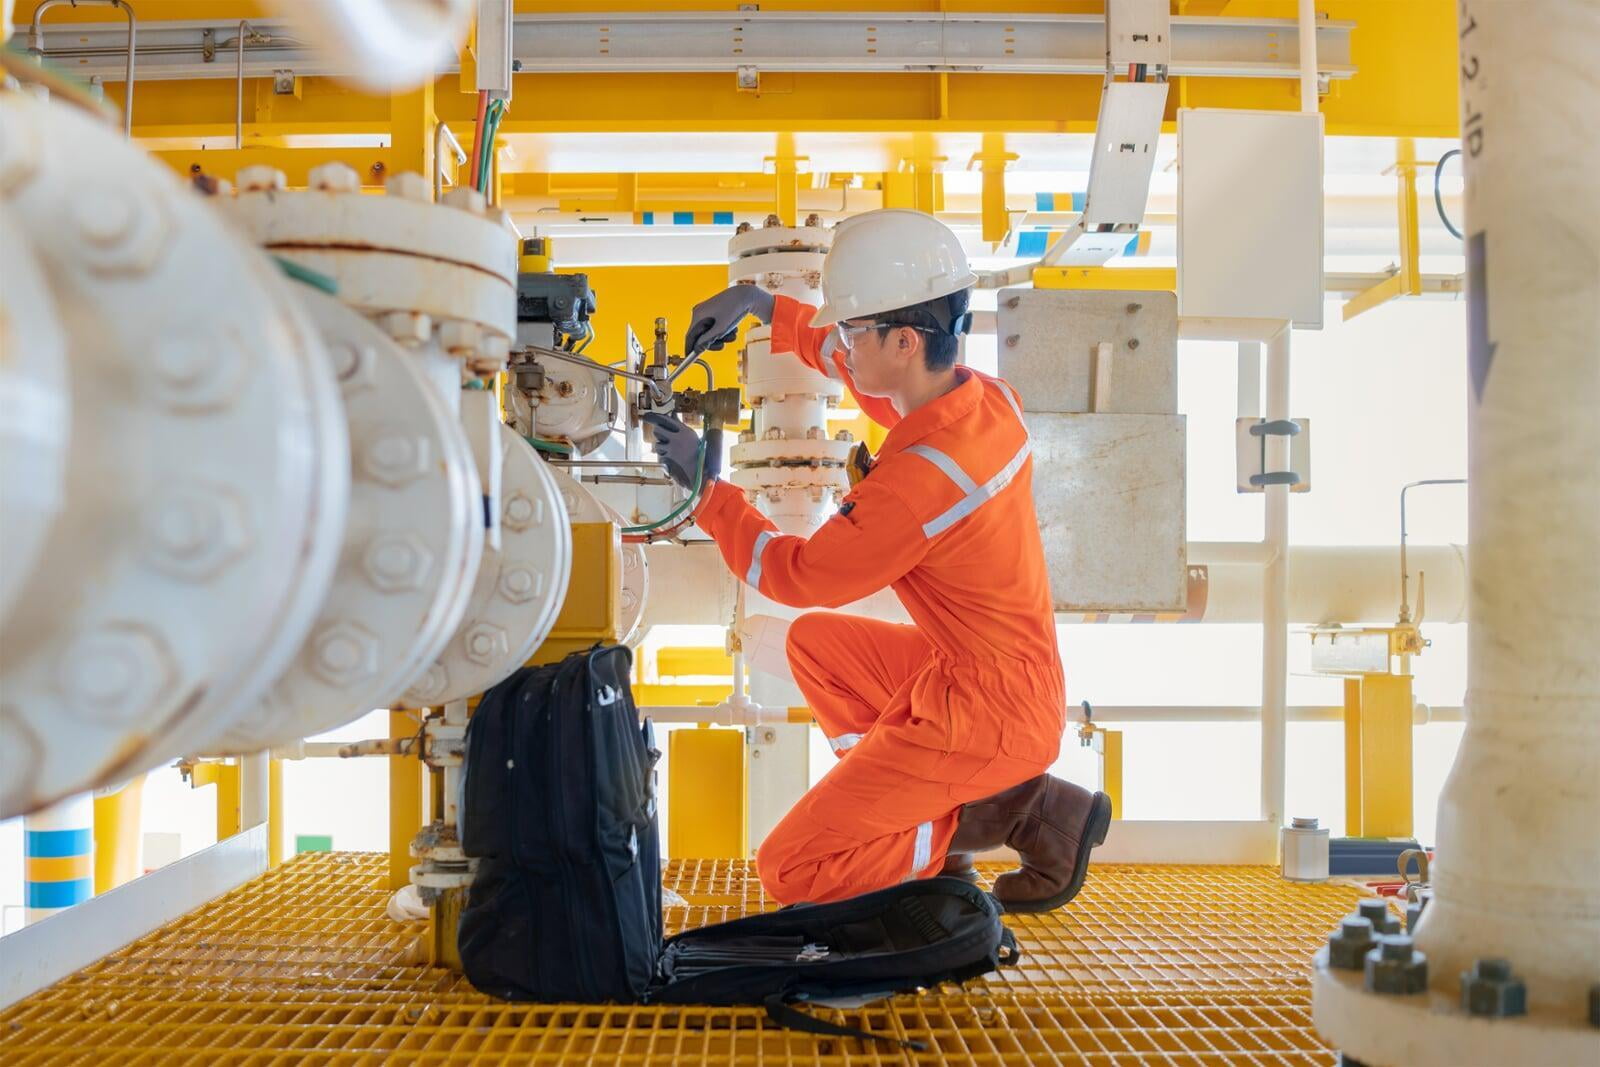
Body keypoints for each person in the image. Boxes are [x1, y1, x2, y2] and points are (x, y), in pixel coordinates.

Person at [644, 209, 1110, 911]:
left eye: (852, 328)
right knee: (818, 648)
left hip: (987, 715)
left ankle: (976, 822)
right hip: (994, 677)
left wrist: (709, 492)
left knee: (791, 868)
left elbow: (791, 573)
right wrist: (762, 306)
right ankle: (950, 813)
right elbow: (859, 373)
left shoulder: (922, 479)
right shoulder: (982, 399)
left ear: (903, 339)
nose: (840, 341)